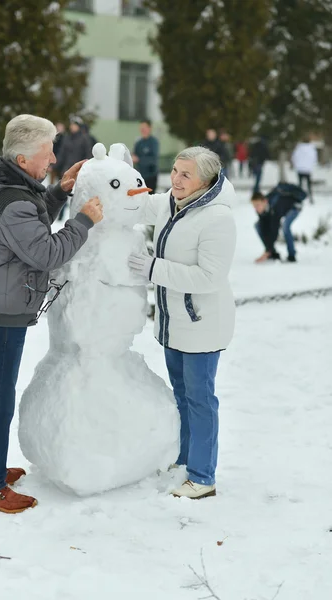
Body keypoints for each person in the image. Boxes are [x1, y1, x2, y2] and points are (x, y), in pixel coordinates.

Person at [0, 114, 103, 514]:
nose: (54, 158)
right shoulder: (13, 201)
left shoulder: (9, 184)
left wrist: (60, 191)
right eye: (47, 153)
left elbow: (31, 217)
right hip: (2, 308)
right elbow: (45, 252)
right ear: (23, 160)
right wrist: (83, 221)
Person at [128, 146, 236, 500]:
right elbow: (138, 204)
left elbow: (210, 277)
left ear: (205, 181)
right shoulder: (171, 204)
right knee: (183, 397)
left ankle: (203, 477)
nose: (176, 179)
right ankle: (185, 458)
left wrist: (154, 269)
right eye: (174, 170)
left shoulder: (217, 218)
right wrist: (111, 176)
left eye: (185, 174)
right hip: (174, 325)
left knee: (200, 400)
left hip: (202, 326)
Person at [251, 183, 306, 263]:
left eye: (257, 205)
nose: (256, 209)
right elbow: (264, 227)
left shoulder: (275, 206)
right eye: (254, 206)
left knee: (285, 226)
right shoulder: (262, 209)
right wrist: (269, 249)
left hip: (295, 206)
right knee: (257, 225)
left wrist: (267, 250)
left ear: (265, 201)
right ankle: (272, 253)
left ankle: (292, 255)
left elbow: (274, 229)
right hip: (282, 209)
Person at [57, 116, 94, 220]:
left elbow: (88, 155)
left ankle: (80, 215)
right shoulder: (67, 138)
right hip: (67, 170)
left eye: (74, 125)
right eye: (71, 125)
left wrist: (86, 169)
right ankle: (60, 215)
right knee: (63, 191)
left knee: (79, 194)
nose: (72, 127)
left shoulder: (84, 138)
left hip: (80, 172)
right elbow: (61, 154)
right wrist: (55, 165)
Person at [132, 119, 159, 194]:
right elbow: (134, 155)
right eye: (141, 128)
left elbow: (153, 160)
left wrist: (139, 159)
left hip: (150, 177)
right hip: (140, 177)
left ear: (150, 128)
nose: (142, 130)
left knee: (149, 199)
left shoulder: (153, 142)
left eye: (144, 128)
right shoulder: (138, 143)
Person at [291, 135, 317, 204]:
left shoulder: (298, 148)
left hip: (300, 168)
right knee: (309, 184)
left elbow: (294, 157)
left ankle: (299, 198)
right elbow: (314, 158)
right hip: (308, 169)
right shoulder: (312, 148)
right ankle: (311, 198)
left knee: (300, 185)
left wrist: (296, 165)